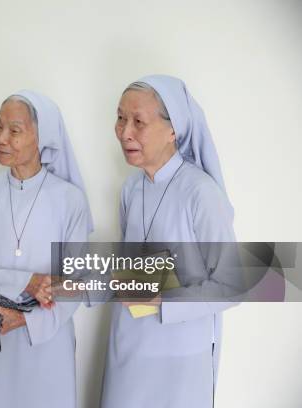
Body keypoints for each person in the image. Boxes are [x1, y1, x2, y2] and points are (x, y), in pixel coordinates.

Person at [100, 75, 238, 408]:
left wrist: (162, 298)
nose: (125, 132)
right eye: (120, 118)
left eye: (138, 122)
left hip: (180, 358)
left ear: (173, 129)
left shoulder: (201, 193)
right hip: (128, 347)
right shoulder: (130, 190)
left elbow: (234, 284)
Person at [0, 90, 93, 408]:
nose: (1, 138)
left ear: (42, 137)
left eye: (14, 130)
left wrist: (25, 319)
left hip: (46, 340)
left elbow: (76, 284)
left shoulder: (69, 200)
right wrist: (28, 281)